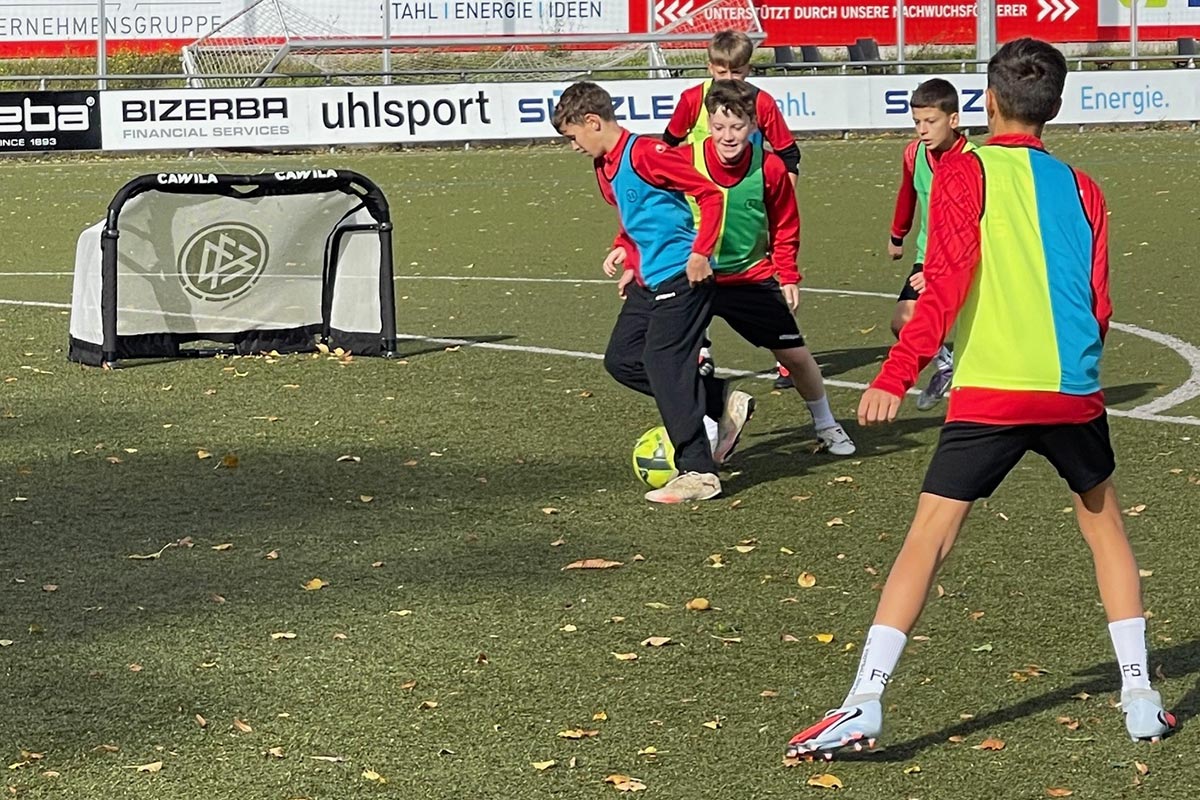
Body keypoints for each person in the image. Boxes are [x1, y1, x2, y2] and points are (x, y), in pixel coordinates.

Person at [784, 38, 1174, 760]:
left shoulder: (965, 170)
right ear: (1053, 108)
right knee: (1106, 529)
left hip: (992, 389)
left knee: (929, 540)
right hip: (1072, 390)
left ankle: (864, 700)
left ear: (987, 102)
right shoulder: (1085, 186)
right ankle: (1141, 696)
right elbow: (1100, 301)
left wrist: (898, 371)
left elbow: (950, 277)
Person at [552, 81, 754, 504]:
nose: (572, 146)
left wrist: (701, 253)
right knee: (622, 360)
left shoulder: (645, 153)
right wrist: (626, 252)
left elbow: (709, 193)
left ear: (592, 122)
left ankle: (699, 472)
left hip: (684, 277)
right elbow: (637, 218)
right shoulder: (604, 167)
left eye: (572, 136)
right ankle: (718, 400)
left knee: (664, 364)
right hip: (649, 280)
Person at [673, 80, 854, 456]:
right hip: (694, 276)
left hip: (750, 277)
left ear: (753, 125)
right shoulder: (685, 159)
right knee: (682, 357)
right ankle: (707, 428)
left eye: (737, 127)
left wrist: (787, 273)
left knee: (795, 356)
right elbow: (654, 209)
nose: (727, 136)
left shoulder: (769, 167)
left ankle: (826, 424)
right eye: (719, 127)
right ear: (708, 122)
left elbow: (785, 223)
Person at [663, 29, 802, 390]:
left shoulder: (762, 103)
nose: (728, 80)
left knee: (760, 285)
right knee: (693, 283)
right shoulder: (692, 99)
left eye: (736, 73)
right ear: (710, 68)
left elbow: (789, 155)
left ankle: (784, 354)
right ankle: (701, 350)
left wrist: (777, 200)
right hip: (697, 211)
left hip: (745, 206)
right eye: (721, 73)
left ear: (748, 71)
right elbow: (667, 145)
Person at [888, 78, 975, 412]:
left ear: (953, 120)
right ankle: (946, 365)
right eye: (916, 122)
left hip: (963, 260)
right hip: (929, 257)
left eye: (930, 121)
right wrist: (898, 235)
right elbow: (908, 193)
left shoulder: (975, 160)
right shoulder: (914, 154)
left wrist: (940, 272)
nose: (922, 130)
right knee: (902, 321)